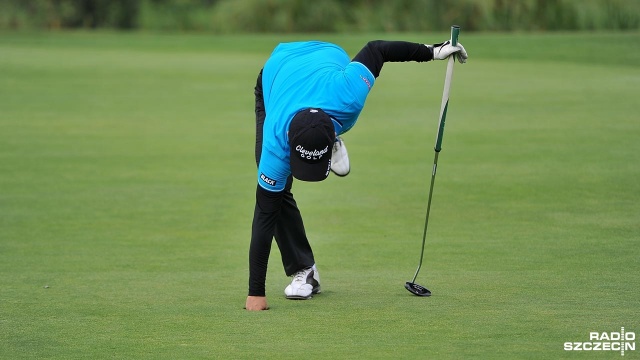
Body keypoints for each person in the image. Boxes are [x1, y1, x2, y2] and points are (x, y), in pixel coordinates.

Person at [246, 39, 468, 311]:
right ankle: (305, 269)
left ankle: (328, 139)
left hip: (328, 60)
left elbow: (377, 49)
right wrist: (255, 292)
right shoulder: (276, 140)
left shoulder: (348, 93)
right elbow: (264, 212)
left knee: (278, 185)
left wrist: (433, 51)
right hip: (277, 71)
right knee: (274, 191)